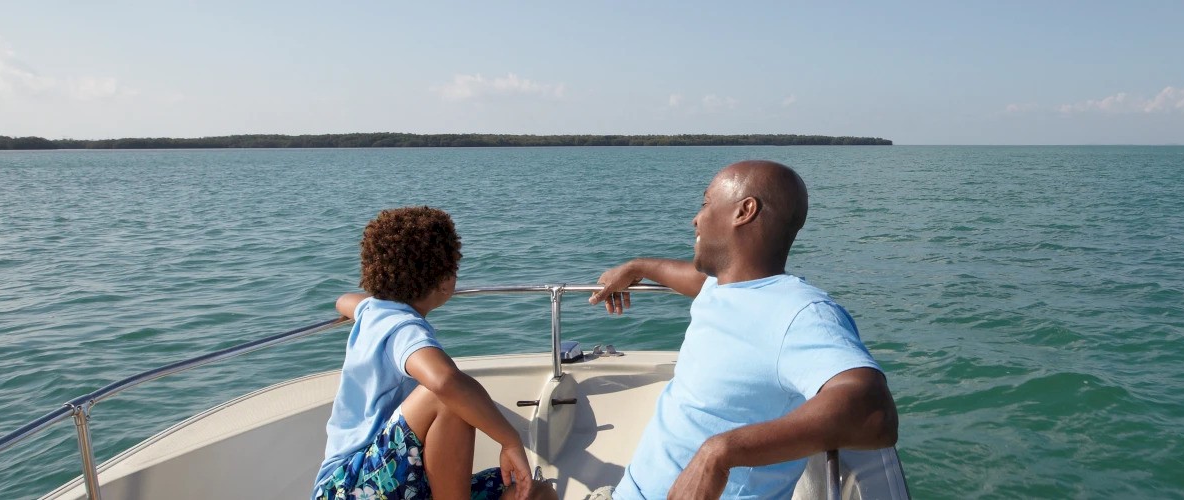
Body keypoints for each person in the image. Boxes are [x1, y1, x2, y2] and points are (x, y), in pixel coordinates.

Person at [588, 161, 899, 499]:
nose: (696, 218)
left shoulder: (799, 313)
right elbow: (691, 278)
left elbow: (873, 411)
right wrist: (637, 267)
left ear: (744, 211)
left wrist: (720, 454)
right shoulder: (723, 286)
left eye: (706, 203)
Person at [313, 206, 553, 500]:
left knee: (537, 494)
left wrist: (365, 304)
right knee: (449, 398)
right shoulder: (404, 328)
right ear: (443, 280)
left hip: (395, 481)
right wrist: (509, 440)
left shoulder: (372, 310)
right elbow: (443, 381)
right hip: (350, 484)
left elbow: (344, 300)